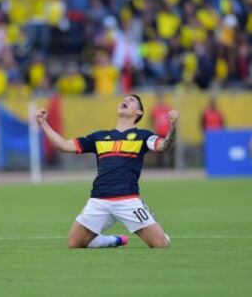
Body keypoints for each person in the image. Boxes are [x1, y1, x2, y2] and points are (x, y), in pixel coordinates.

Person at [35, 94, 179, 248]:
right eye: (124, 99)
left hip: (128, 200)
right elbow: (63, 145)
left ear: (139, 113)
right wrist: (43, 123)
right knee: (74, 243)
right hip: (99, 200)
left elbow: (164, 146)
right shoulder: (100, 137)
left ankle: (158, 234)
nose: (125, 100)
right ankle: (110, 240)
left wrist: (173, 126)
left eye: (131, 101)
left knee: (161, 245)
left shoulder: (143, 136)